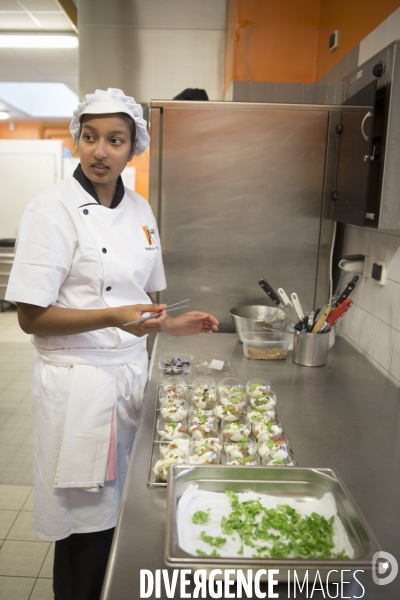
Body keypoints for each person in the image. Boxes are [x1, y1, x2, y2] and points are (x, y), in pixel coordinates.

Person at [5, 88, 219, 600]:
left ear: (132, 148)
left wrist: (169, 324)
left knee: (123, 513)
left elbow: (136, 300)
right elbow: (31, 318)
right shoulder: (50, 209)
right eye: (91, 137)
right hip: (78, 387)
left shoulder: (141, 210)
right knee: (85, 527)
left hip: (128, 378)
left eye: (115, 140)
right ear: (78, 141)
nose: (101, 151)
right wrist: (114, 318)